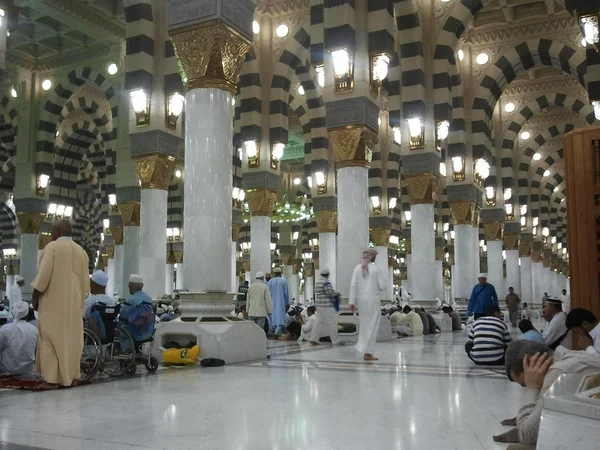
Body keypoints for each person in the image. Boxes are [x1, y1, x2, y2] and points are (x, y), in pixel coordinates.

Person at [496, 340, 600, 446]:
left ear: (531, 362)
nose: (527, 386)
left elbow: (527, 435)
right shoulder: (572, 355)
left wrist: (532, 388)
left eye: (525, 383)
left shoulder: (559, 372)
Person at [31, 219, 89, 390]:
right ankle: (72, 377)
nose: (51, 235)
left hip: (52, 304)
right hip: (74, 306)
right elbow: (86, 285)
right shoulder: (81, 252)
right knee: (72, 339)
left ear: (58, 232)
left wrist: (35, 297)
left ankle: (51, 379)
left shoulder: (53, 248)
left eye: (52, 231)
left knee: (49, 339)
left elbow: (43, 277)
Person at [349, 248, 384, 361]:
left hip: (361, 301)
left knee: (364, 325)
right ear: (373, 257)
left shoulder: (357, 268)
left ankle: (364, 348)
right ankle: (368, 352)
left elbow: (353, 285)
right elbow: (382, 286)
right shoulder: (376, 269)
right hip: (373, 300)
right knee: (372, 326)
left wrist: (352, 302)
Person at [0, 302, 38, 375]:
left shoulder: (5, 328)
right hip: (28, 370)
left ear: (13, 313)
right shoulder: (34, 329)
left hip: (7, 370)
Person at [313, 268, 342, 345]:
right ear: (328, 274)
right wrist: (337, 294)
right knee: (332, 323)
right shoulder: (326, 283)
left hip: (319, 305)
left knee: (318, 322)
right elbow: (329, 294)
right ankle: (336, 340)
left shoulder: (317, 282)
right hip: (327, 306)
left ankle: (313, 339)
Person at [268, 267, 289, 335]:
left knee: (274, 314)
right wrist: (287, 303)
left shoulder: (271, 281)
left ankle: (274, 329)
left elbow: (269, 292)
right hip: (281, 301)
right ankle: (279, 329)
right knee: (280, 314)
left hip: (272, 301)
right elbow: (286, 293)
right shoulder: (283, 281)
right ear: (280, 273)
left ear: (274, 273)